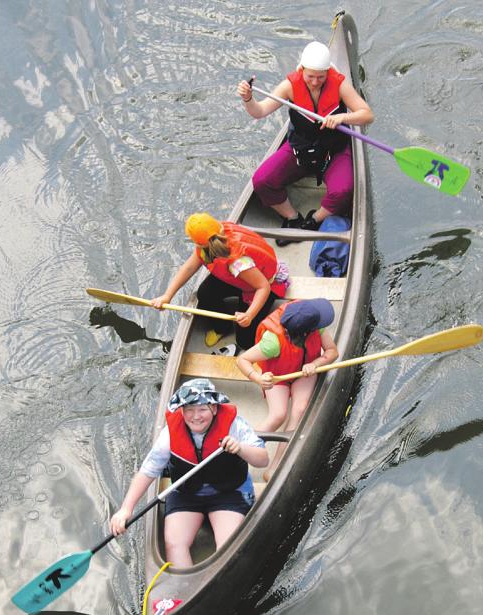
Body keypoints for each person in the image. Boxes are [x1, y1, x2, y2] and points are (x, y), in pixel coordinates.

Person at [110, 378, 269, 568]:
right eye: (189, 410)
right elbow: (147, 472)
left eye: (202, 409)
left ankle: (218, 583)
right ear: (182, 411)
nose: (196, 416)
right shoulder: (169, 434)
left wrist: (241, 448)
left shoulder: (235, 425)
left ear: (214, 408)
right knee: (174, 545)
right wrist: (126, 509)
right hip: (186, 493)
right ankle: (183, 589)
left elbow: (263, 460)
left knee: (229, 548)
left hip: (229, 492)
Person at [237, 41, 374, 245]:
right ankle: (293, 219)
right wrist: (248, 99)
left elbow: (367, 115)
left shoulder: (340, 85)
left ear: (328, 72)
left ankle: (313, 220)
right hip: (300, 151)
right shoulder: (289, 86)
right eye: (310, 76)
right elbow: (260, 111)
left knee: (343, 190)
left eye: (321, 77)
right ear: (301, 69)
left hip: (333, 152)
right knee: (262, 181)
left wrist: (342, 118)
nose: (315, 82)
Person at [151, 213, 289, 351]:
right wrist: (167, 296)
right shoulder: (211, 238)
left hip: (262, 285)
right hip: (240, 279)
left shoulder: (237, 262)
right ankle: (222, 327)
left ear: (197, 242)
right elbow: (188, 268)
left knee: (245, 341)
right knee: (205, 294)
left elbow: (263, 286)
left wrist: (249, 315)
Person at [236, 299, 338, 481]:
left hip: (304, 373)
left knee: (299, 410)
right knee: (278, 415)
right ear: (305, 331)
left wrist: (315, 363)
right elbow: (242, 360)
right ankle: (239, 453)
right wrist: (258, 377)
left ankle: (275, 467)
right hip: (278, 375)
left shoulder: (316, 325)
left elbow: (332, 351)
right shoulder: (273, 342)